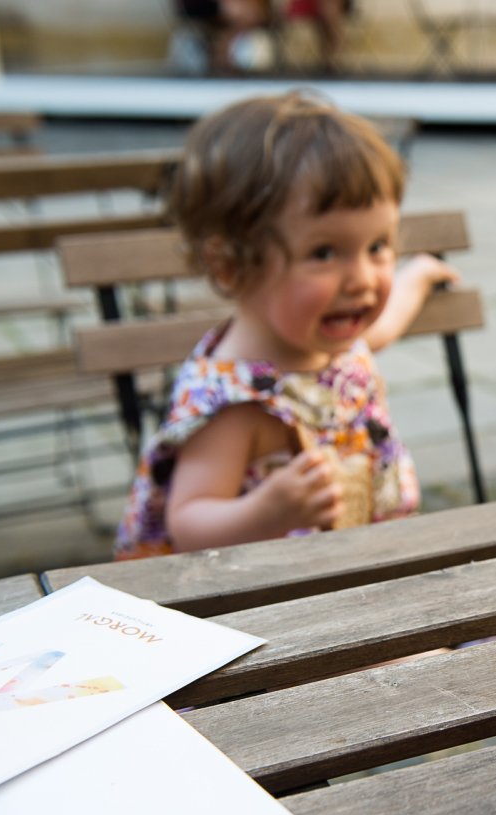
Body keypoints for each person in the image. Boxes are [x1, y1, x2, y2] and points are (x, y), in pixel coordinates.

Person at [114, 92, 459, 560]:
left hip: (361, 564)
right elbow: (189, 524)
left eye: (377, 246)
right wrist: (268, 511)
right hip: (282, 588)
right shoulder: (236, 404)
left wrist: (416, 277)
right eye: (324, 253)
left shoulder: (330, 342)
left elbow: (384, 328)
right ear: (231, 265)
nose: (362, 279)